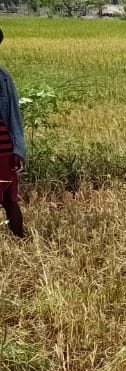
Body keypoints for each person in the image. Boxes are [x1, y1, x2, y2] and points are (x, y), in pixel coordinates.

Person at [0, 26, 26, 238]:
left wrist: (17, 148)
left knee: (9, 199)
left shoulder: (4, 78)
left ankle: (19, 239)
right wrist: (17, 148)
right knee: (9, 199)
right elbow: (15, 115)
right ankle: (20, 240)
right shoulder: (3, 76)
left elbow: (14, 114)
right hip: (5, 148)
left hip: (3, 149)